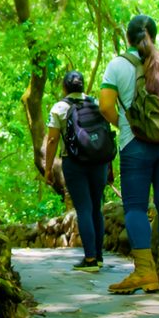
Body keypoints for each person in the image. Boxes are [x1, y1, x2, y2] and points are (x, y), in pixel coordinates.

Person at [98, 15, 159, 294]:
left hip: (136, 146)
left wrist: (127, 124)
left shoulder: (119, 65)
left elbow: (106, 106)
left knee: (135, 208)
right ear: (155, 34)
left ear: (128, 38)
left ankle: (145, 272)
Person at [44, 70, 110, 273]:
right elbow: (107, 136)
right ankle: (98, 257)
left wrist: (48, 169)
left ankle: (89, 260)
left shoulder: (59, 108)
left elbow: (53, 140)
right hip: (99, 162)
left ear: (64, 87)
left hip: (74, 163)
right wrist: (109, 167)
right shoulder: (96, 104)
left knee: (83, 208)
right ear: (82, 86)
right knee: (96, 208)